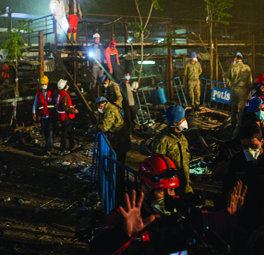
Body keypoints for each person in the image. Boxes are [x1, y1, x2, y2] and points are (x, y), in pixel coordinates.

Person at [90, 154, 248, 255]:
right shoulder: (124, 215)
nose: (168, 197)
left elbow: (208, 222)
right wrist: (124, 233)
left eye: (171, 190)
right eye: (161, 191)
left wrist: (229, 215)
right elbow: (98, 249)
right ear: (144, 188)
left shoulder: (181, 210)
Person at [222, 121, 264, 245]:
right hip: (242, 222)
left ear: (262, 142)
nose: (249, 150)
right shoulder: (237, 161)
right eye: (244, 147)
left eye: (253, 146)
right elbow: (227, 188)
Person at [91, 96, 131, 201]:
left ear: (101, 104)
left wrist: (94, 127)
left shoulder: (109, 111)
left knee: (119, 168)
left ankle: (118, 193)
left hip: (120, 142)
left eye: (98, 106)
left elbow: (105, 127)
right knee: (119, 167)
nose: (98, 109)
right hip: (119, 141)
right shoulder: (110, 108)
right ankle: (118, 189)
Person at [153, 105, 193, 195]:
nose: (185, 120)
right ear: (175, 123)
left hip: (186, 186)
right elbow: (159, 168)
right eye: (182, 119)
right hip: (172, 189)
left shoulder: (182, 138)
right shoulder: (163, 142)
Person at [226, 52, 253, 132]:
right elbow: (250, 82)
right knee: (241, 109)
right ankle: (240, 127)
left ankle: (233, 127)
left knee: (233, 109)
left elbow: (226, 78)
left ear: (236, 58)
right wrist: (247, 91)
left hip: (234, 90)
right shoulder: (247, 68)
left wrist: (231, 86)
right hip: (243, 90)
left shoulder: (232, 67)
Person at [33, 75, 57, 157]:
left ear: (47, 83)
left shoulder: (52, 91)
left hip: (50, 115)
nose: (44, 85)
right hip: (43, 116)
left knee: (49, 132)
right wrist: (34, 113)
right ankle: (49, 145)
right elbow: (35, 103)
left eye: (45, 84)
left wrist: (57, 112)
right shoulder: (38, 93)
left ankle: (48, 149)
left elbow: (56, 101)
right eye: (43, 84)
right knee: (45, 132)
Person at [56, 79, 80, 156]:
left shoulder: (60, 94)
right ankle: (62, 149)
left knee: (70, 132)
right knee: (65, 133)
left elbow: (63, 106)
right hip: (66, 117)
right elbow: (64, 107)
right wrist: (73, 111)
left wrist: (71, 107)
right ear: (65, 86)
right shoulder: (64, 95)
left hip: (63, 116)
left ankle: (72, 145)